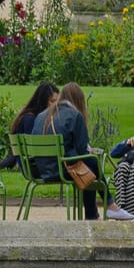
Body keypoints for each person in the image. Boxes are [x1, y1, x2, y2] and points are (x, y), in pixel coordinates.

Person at [31, 82, 104, 220]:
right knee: (91, 164)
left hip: (40, 170)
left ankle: (102, 209)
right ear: (79, 101)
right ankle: (97, 211)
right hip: (62, 170)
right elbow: (83, 151)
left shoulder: (41, 116)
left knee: (88, 164)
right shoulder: (75, 116)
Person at [0, 81, 59, 170]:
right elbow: (33, 152)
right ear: (42, 101)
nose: (56, 105)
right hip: (33, 167)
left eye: (58, 101)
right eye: (52, 101)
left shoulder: (33, 117)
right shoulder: (30, 119)